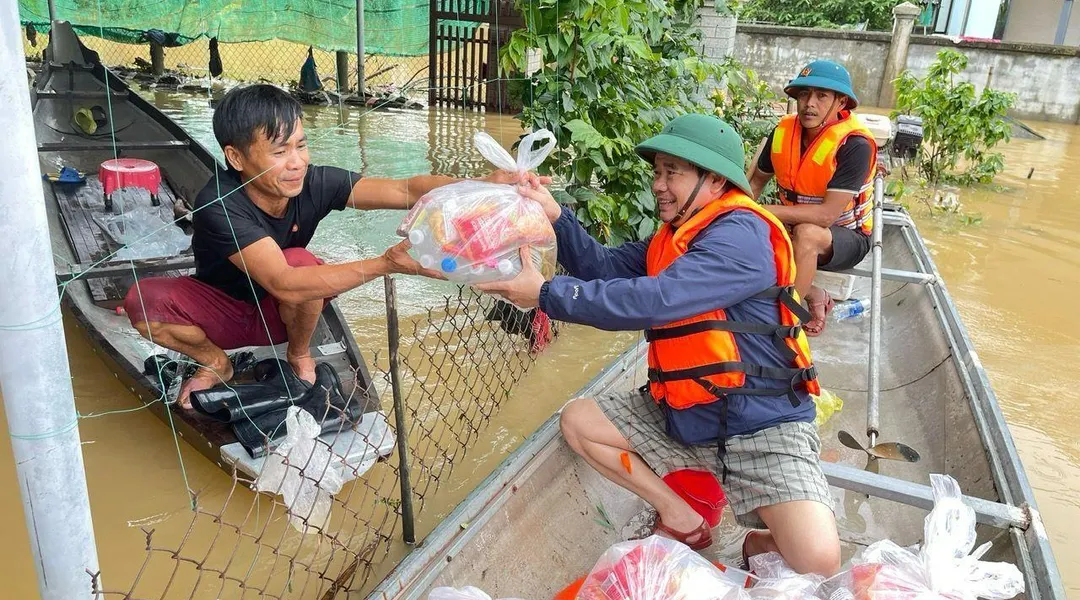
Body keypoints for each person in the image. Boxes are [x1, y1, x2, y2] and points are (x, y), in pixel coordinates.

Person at [477, 114, 840, 576]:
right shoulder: (672, 238)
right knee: (579, 420)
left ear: (714, 180)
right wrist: (556, 216)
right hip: (689, 416)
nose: (659, 185)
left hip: (761, 425)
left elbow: (659, 299)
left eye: (673, 172)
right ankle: (681, 514)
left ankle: (754, 538)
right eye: (658, 172)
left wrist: (546, 294)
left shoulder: (743, 237)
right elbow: (603, 268)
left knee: (820, 562)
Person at [123, 84, 534, 407]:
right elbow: (283, 281)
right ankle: (216, 361)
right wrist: (386, 263)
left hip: (280, 310)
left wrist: (481, 186)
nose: (297, 161)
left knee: (302, 261)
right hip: (224, 309)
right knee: (143, 299)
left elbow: (406, 188)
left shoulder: (315, 182)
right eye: (279, 151)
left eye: (300, 145)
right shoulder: (218, 204)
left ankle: (298, 352)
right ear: (236, 157)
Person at [747, 60, 878, 336]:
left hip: (846, 236)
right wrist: (737, 213)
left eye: (821, 96)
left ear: (841, 102)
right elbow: (755, 183)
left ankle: (785, 321)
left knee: (807, 234)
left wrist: (761, 212)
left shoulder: (855, 145)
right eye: (804, 94)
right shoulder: (783, 133)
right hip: (795, 223)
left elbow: (826, 216)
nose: (809, 103)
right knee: (743, 227)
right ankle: (813, 293)